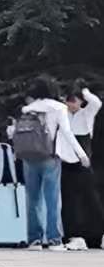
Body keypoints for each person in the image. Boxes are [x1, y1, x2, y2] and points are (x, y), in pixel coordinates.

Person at [17, 77, 87, 249]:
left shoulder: (28, 108)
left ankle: (34, 239)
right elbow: (67, 133)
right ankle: (54, 239)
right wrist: (81, 154)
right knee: (53, 200)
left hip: (28, 157)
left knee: (33, 199)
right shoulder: (59, 108)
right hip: (49, 156)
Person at [67, 84, 103, 249]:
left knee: (92, 198)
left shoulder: (87, 113)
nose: (71, 104)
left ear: (81, 101)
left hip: (84, 161)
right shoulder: (64, 115)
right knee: (72, 200)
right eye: (68, 100)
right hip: (67, 161)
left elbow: (96, 103)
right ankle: (76, 236)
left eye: (74, 100)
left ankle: (101, 235)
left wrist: (84, 91)